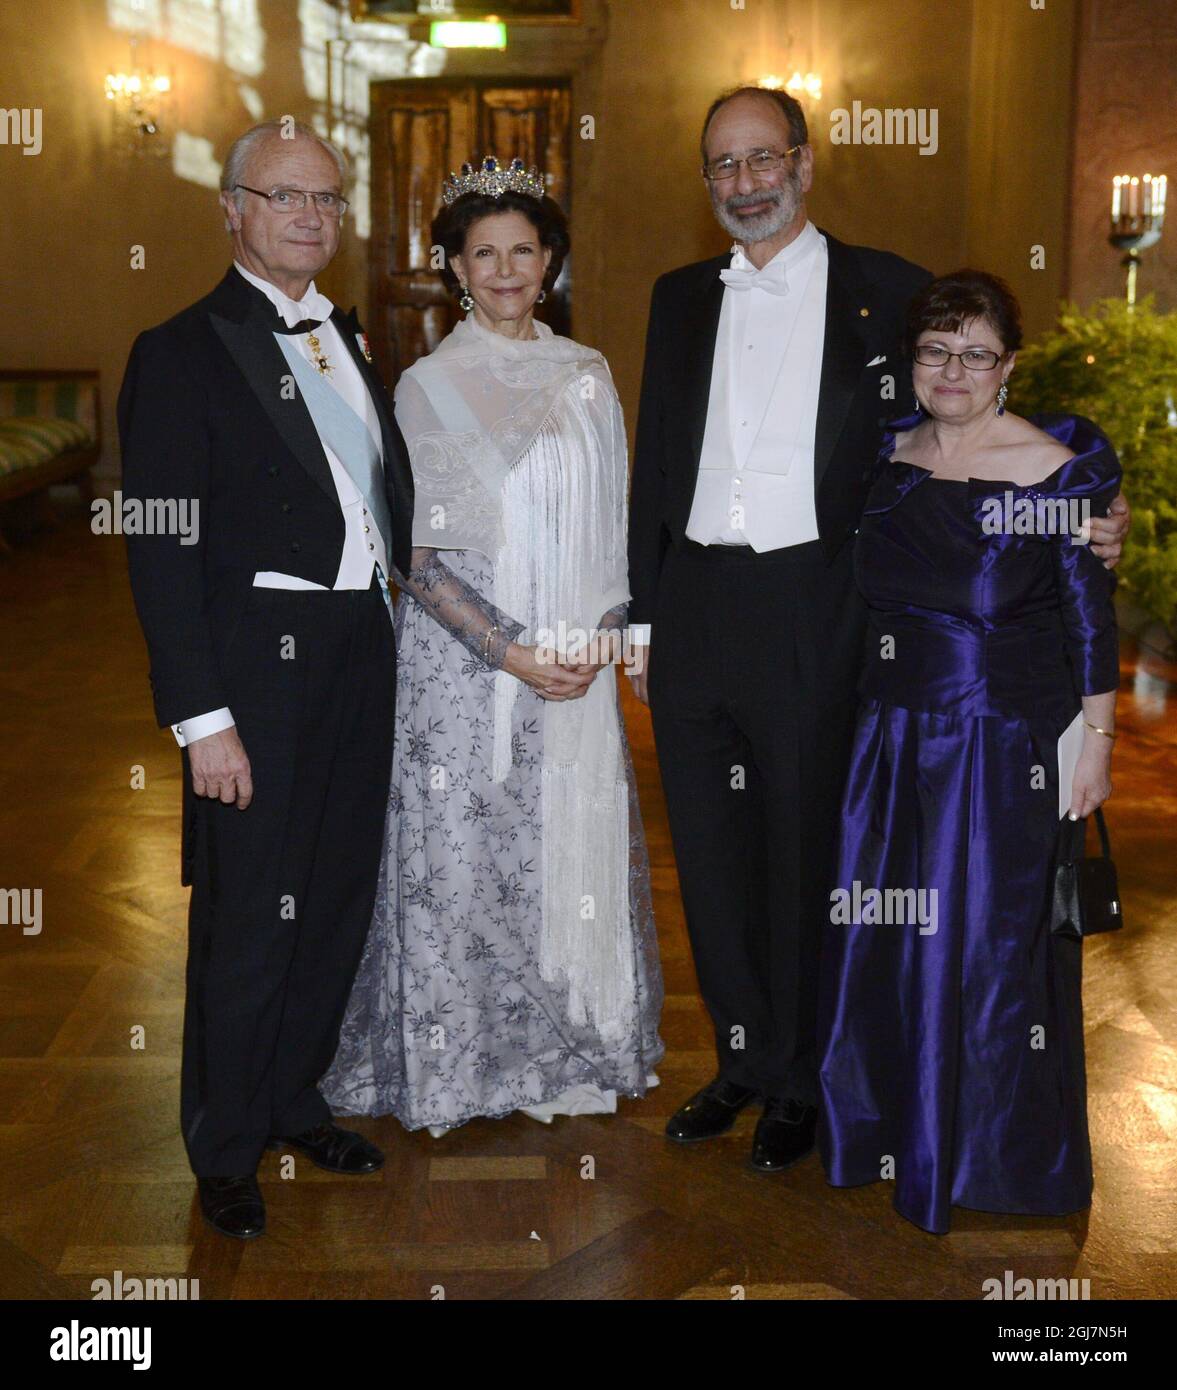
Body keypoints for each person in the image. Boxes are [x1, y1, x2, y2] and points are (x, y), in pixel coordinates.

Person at [625, 85, 1130, 1173]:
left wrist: (1084, 501)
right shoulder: (675, 296)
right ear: (706, 180)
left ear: (804, 165)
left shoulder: (887, 292)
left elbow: (971, 421)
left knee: (807, 850)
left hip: (821, 609)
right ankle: (742, 1059)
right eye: (722, 165)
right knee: (709, 862)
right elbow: (653, 461)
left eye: (763, 159)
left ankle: (803, 1079)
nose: (744, 182)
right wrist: (644, 613)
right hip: (695, 611)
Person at [322, 158, 664, 1133]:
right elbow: (415, 560)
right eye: (485, 253)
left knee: (560, 855)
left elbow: (614, 530)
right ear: (454, 269)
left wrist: (605, 636)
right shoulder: (427, 386)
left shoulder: (587, 376)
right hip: (462, 669)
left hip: (571, 663)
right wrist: (510, 651)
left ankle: (562, 1046)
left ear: (549, 263)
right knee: (465, 862)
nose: (506, 269)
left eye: (524, 250)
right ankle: (458, 1064)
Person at [119, 120, 415, 1239]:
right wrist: (204, 720)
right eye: (283, 195)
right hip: (254, 673)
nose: (309, 215)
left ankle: (298, 1098)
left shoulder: (350, 339)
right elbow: (162, 545)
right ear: (230, 210)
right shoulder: (183, 348)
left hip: (356, 655)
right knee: (249, 913)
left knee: (333, 893)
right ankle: (226, 1141)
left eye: (328, 200)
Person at [818, 270, 1119, 1233]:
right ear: (911, 363)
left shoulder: (1044, 469)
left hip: (996, 751)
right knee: (891, 943)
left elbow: (1087, 617)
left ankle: (987, 1156)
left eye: (975, 353)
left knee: (986, 952)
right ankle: (891, 1128)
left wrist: (1097, 742)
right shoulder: (889, 453)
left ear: (1008, 366)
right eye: (934, 351)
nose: (953, 370)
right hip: (890, 739)